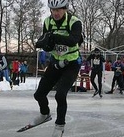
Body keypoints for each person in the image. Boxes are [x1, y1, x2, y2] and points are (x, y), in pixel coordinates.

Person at [25, 0, 83, 136]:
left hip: (71, 64)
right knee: (38, 94)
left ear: (65, 9)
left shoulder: (74, 22)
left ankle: (59, 126)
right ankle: (45, 114)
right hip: (56, 63)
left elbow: (73, 40)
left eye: (58, 10)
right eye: (52, 10)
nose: (55, 13)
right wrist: (45, 44)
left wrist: (53, 36)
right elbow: (46, 43)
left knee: (60, 95)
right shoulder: (47, 22)